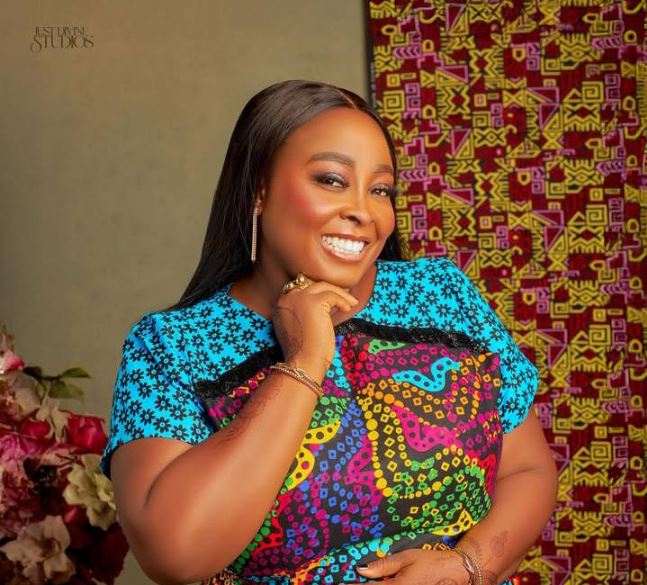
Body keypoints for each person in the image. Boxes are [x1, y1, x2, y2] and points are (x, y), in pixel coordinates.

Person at [99, 79, 558, 585]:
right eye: (332, 180)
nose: (363, 211)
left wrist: (467, 566)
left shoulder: (442, 294)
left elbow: (528, 471)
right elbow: (175, 554)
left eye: (380, 190)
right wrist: (303, 362)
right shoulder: (171, 346)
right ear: (259, 189)